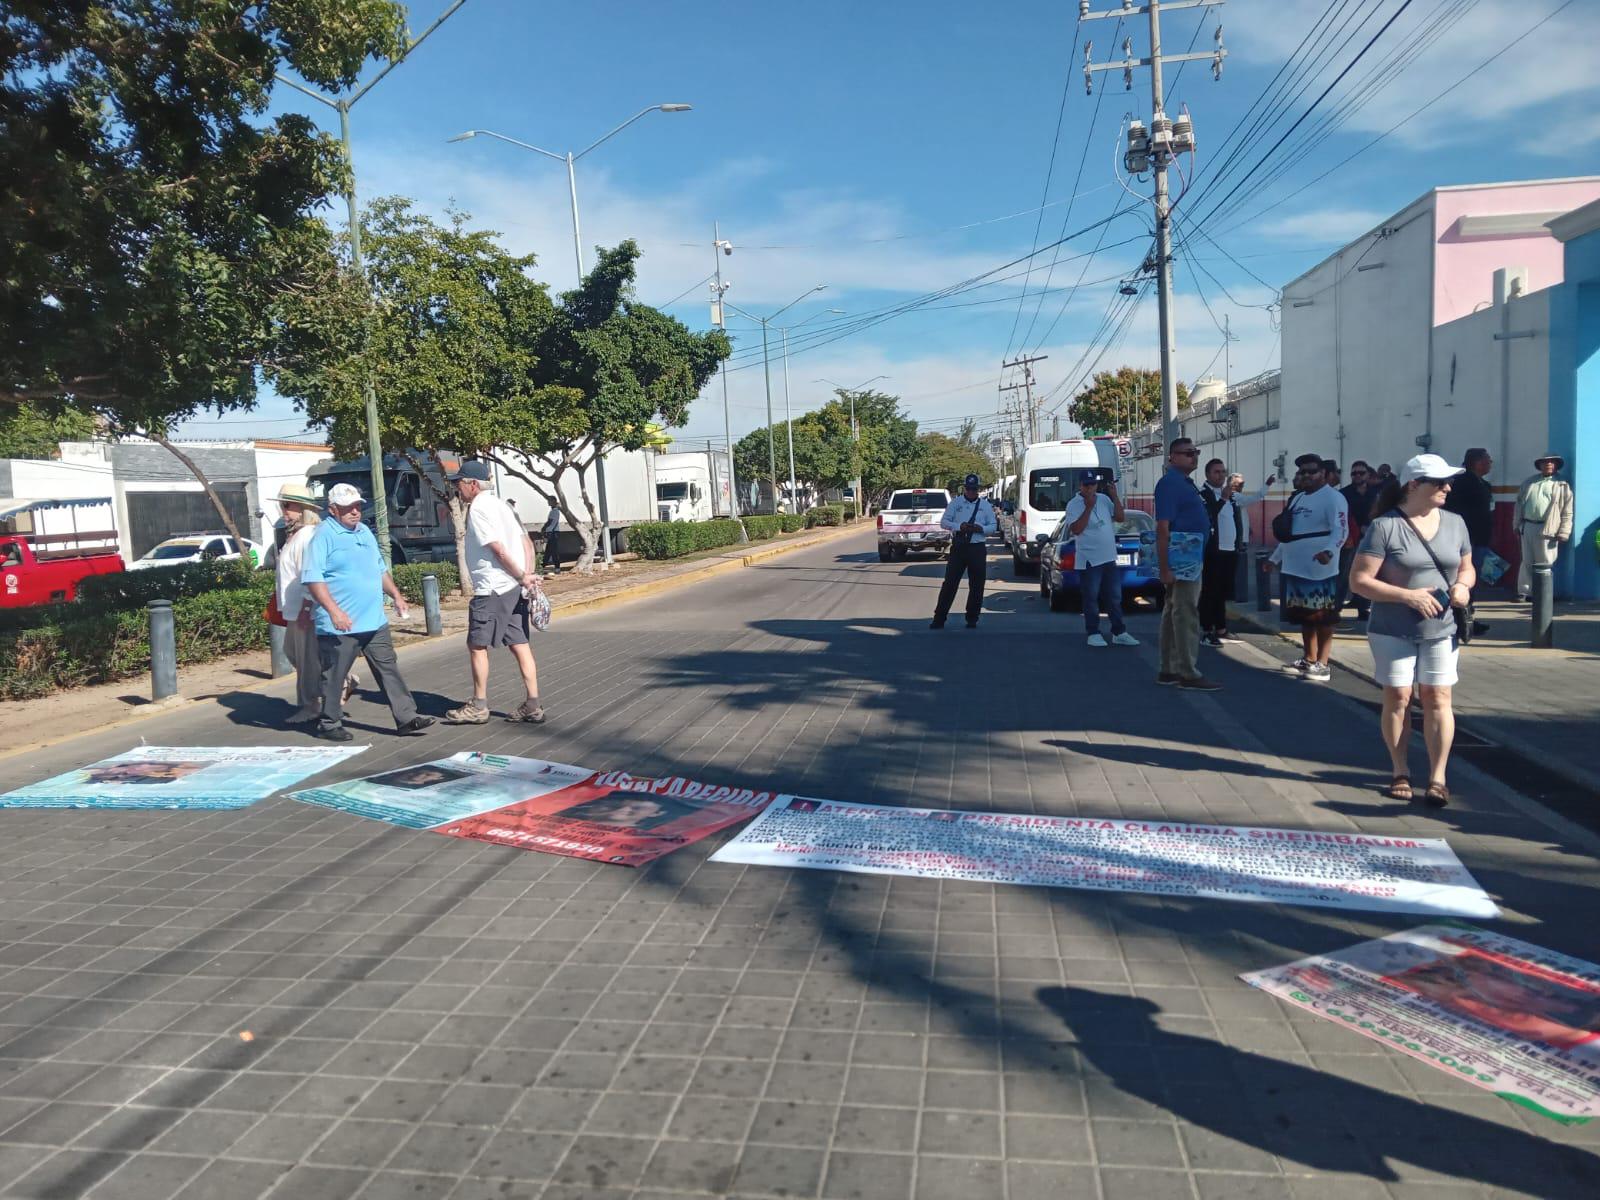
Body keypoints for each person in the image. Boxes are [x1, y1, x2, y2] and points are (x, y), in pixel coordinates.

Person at [1349, 454, 1475, 808]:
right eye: (1439, 482)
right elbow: (1359, 581)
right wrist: (1407, 596)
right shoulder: (1385, 527)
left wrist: (1463, 587)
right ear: (1414, 485)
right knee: (1399, 697)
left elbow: (1467, 568)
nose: (1447, 488)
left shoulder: (1455, 523)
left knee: (1438, 697)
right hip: (1392, 628)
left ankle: (1438, 777)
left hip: (1441, 627)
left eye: (1448, 482)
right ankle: (1399, 769)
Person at [301, 483, 435, 742]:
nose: (354, 512)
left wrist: (396, 595)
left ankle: (406, 718)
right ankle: (329, 723)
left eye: (357, 506)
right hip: (340, 623)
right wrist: (334, 612)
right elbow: (313, 579)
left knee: (388, 668)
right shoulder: (323, 536)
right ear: (332, 510)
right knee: (335, 674)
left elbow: (379, 568)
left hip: (374, 620)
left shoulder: (364, 532)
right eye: (347, 508)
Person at [444, 461, 546, 726]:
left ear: (473, 485)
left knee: (477, 645)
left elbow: (498, 550)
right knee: (520, 643)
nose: (458, 489)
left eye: (460, 484)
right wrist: (527, 577)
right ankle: (533, 704)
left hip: (492, 587)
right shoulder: (504, 506)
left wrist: (522, 576)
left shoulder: (478, 508)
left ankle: (478, 705)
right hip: (513, 587)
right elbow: (526, 542)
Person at [272, 481, 343, 726]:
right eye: (283, 506)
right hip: (295, 609)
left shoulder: (306, 537)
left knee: (304, 660)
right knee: (296, 654)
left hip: (304, 609)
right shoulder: (296, 535)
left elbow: (310, 575)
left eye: (288, 506)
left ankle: (310, 704)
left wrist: (305, 607)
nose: (284, 511)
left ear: (302, 509)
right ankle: (339, 682)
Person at [1153, 438, 1221, 690]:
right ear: (1173, 457)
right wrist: (1164, 568)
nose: (1194, 457)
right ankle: (1188, 672)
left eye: (1196, 452)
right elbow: (1162, 527)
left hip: (1190, 558)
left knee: (1175, 612)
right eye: (1188, 453)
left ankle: (1169, 669)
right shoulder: (1170, 484)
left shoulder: (1184, 484)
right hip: (1181, 560)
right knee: (1185, 614)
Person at [1277, 454, 1348, 682]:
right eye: (1302, 472)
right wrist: (1274, 558)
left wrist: (1329, 551)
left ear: (1323, 474)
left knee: (1324, 616)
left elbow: (1341, 530)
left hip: (1321, 569)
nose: (1306, 476)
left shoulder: (1333, 498)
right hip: (1296, 567)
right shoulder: (1297, 498)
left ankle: (1323, 663)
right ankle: (1309, 658)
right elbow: (1289, 533)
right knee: (1305, 616)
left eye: (1311, 471)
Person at [1198, 460, 1273, 645]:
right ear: (1207, 474)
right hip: (1213, 551)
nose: (1221, 476)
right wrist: (1222, 499)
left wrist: (1266, 486)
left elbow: (1250, 501)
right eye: (1217, 472)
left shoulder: (1231, 496)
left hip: (1229, 550)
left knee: (1222, 593)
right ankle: (1207, 630)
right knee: (1210, 592)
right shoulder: (1202, 494)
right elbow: (1207, 516)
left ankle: (1221, 628)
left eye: (1223, 472)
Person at [1063, 470, 1138, 648]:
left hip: (1109, 556)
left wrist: (1114, 496)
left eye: (1093, 485)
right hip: (1089, 558)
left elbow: (1120, 517)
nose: (1090, 488)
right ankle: (1093, 632)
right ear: (1080, 485)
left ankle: (1119, 631)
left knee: (1114, 597)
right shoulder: (1074, 505)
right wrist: (1088, 507)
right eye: (1087, 485)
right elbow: (1076, 529)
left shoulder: (1104, 500)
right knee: (1091, 597)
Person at [930, 473, 996, 630]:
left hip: (977, 547)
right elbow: (944, 522)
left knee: (977, 585)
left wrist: (981, 528)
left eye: (974, 489)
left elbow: (993, 526)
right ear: (964, 488)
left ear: (978, 490)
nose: (971, 492)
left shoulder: (985, 506)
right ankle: (939, 618)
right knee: (950, 584)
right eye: (968, 489)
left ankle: (972, 618)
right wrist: (960, 526)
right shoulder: (956, 503)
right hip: (959, 547)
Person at [1443, 448, 1494, 633]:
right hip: (1466, 540)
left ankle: (1468, 617)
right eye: (1488, 459)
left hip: (1480, 539)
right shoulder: (1462, 483)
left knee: (1473, 582)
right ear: (1477, 462)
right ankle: (1460, 618)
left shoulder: (1484, 484)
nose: (1491, 463)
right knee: (1462, 580)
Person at [1515, 454, 1574, 600]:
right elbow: (1519, 504)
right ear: (1539, 465)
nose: (1548, 465)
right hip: (1528, 525)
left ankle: (1543, 594)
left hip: (1549, 528)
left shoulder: (1562, 484)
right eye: (1544, 462)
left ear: (1556, 465)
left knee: (1546, 562)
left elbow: (1567, 510)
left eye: (1551, 462)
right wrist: (1516, 524)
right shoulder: (1530, 482)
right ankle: (1525, 592)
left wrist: (1564, 532)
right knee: (1527, 561)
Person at [1338, 460, 1377, 622]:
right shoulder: (1344, 493)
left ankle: (1363, 607)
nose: (1357, 476)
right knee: (1344, 574)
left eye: (1361, 473)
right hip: (1350, 539)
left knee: (1366, 573)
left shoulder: (1376, 492)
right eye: (1354, 473)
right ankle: (1336, 607)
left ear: (1368, 475)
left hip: (1372, 537)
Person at [541, 505, 562, 575]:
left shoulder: (555, 511)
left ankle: (557, 567)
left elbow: (550, 521)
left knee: (553, 551)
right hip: (552, 532)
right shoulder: (554, 511)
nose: (548, 502)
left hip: (553, 532)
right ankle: (542, 566)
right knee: (549, 550)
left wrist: (544, 528)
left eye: (550, 500)